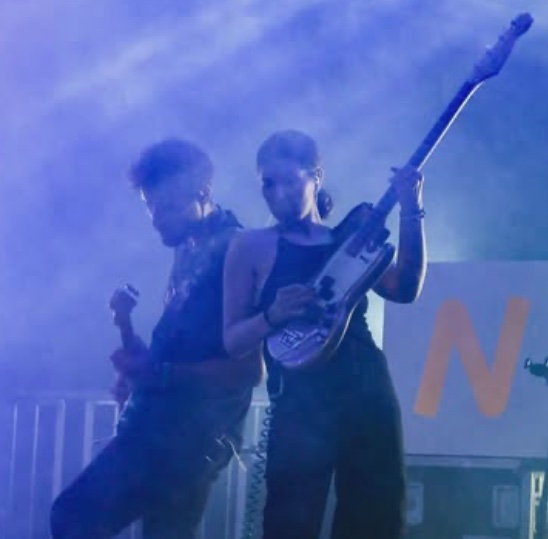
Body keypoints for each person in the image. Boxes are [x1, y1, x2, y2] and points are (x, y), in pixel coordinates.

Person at [50, 138, 262, 539]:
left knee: (72, 517)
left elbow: (249, 370)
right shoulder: (188, 249)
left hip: (190, 438)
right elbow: (170, 357)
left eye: (166, 207)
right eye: (150, 207)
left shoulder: (237, 249)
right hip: (167, 430)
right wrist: (126, 329)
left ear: (203, 194)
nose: (156, 219)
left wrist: (158, 374)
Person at [223, 129, 426, 539]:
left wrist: (411, 209)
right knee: (290, 523)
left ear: (316, 176)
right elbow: (232, 340)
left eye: (288, 180)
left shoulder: (347, 241)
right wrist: (272, 315)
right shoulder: (250, 246)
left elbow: (404, 288)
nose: (276, 193)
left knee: (376, 519)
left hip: (366, 388)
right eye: (267, 183)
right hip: (300, 399)